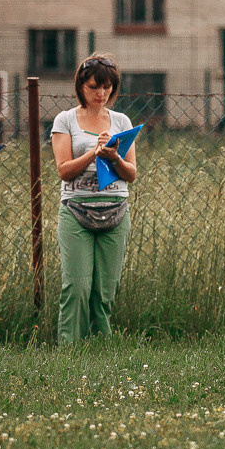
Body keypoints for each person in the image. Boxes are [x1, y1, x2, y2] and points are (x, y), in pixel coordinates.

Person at [51, 53, 138, 343]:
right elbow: (64, 171)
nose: (101, 94)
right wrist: (93, 153)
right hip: (76, 210)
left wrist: (113, 157)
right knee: (77, 287)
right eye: (93, 87)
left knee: (105, 289)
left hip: (116, 210)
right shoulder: (65, 120)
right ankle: (70, 351)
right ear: (80, 86)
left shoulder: (121, 121)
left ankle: (100, 349)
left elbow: (131, 174)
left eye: (107, 87)